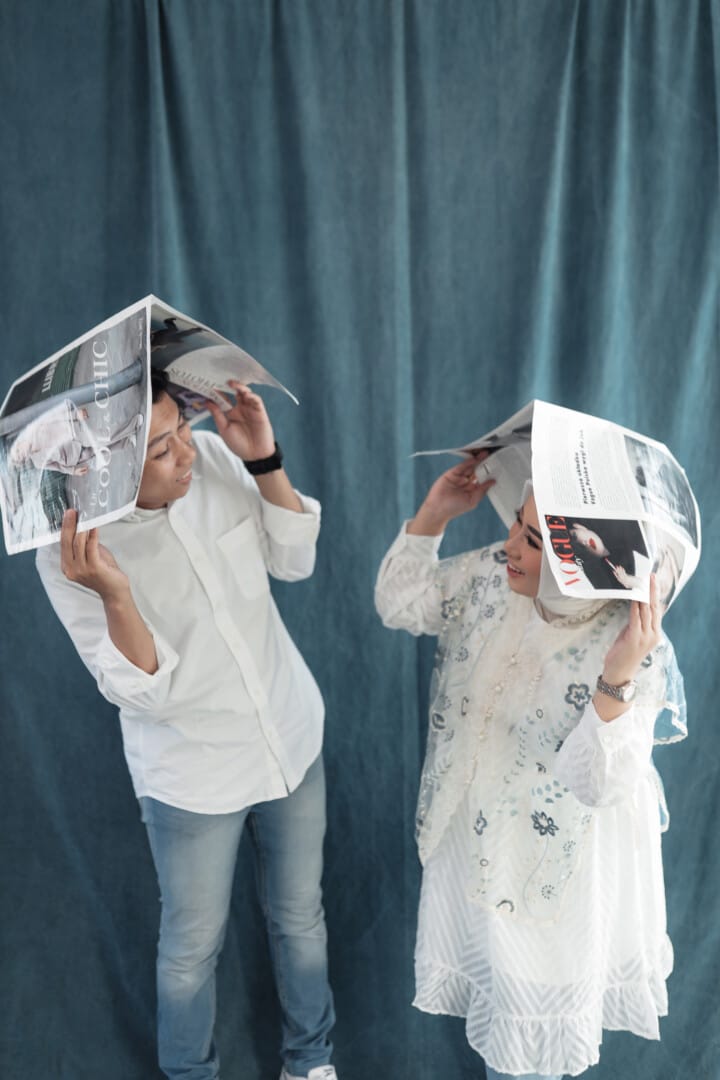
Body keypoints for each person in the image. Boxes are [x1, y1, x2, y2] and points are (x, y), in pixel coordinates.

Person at [36, 370, 338, 1080]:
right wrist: (115, 595)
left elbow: (296, 562)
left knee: (301, 919)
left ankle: (311, 1063)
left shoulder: (217, 460)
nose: (187, 454)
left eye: (181, 430)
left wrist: (264, 461)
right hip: (193, 776)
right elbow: (145, 695)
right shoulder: (69, 556)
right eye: (161, 450)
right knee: (190, 952)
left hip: (290, 735)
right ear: (105, 470)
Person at [375, 455, 688, 1080]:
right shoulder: (494, 579)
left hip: (557, 887)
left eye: (535, 540)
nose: (510, 547)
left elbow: (600, 786)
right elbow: (400, 603)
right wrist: (434, 514)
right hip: (478, 854)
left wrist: (617, 675)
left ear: (588, 560)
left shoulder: (630, 644)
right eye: (517, 524)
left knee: (528, 1052)